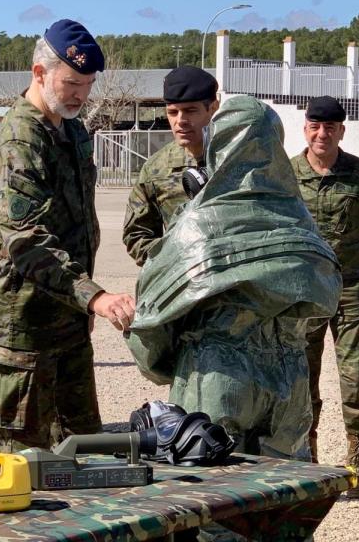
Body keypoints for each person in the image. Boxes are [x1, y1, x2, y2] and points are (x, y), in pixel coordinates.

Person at [127, 95, 341, 460]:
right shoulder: (300, 220)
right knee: (286, 482)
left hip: (216, 374)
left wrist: (164, 366)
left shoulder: (198, 222)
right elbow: (324, 296)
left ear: (217, 146)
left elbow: (150, 323)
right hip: (290, 377)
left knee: (209, 481)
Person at [0, 19, 135, 452]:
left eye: (88, 85)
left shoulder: (72, 130)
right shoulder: (20, 141)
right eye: (71, 83)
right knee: (22, 463)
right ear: (39, 73)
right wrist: (93, 296)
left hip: (67, 320)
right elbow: (26, 240)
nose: (81, 95)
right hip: (23, 334)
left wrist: (80, 302)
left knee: (85, 453)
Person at [292, 95, 359, 498]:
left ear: (341, 131)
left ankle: (356, 466)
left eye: (330, 127)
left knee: (354, 377)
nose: (322, 134)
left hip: (350, 291)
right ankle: (309, 463)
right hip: (303, 293)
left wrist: (350, 262)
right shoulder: (287, 174)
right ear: (306, 128)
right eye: (315, 126)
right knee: (302, 378)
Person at [122, 65, 218, 265]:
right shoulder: (156, 169)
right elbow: (136, 236)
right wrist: (178, 256)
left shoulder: (239, 159)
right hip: (183, 279)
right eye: (172, 112)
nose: (180, 121)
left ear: (213, 108)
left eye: (190, 111)